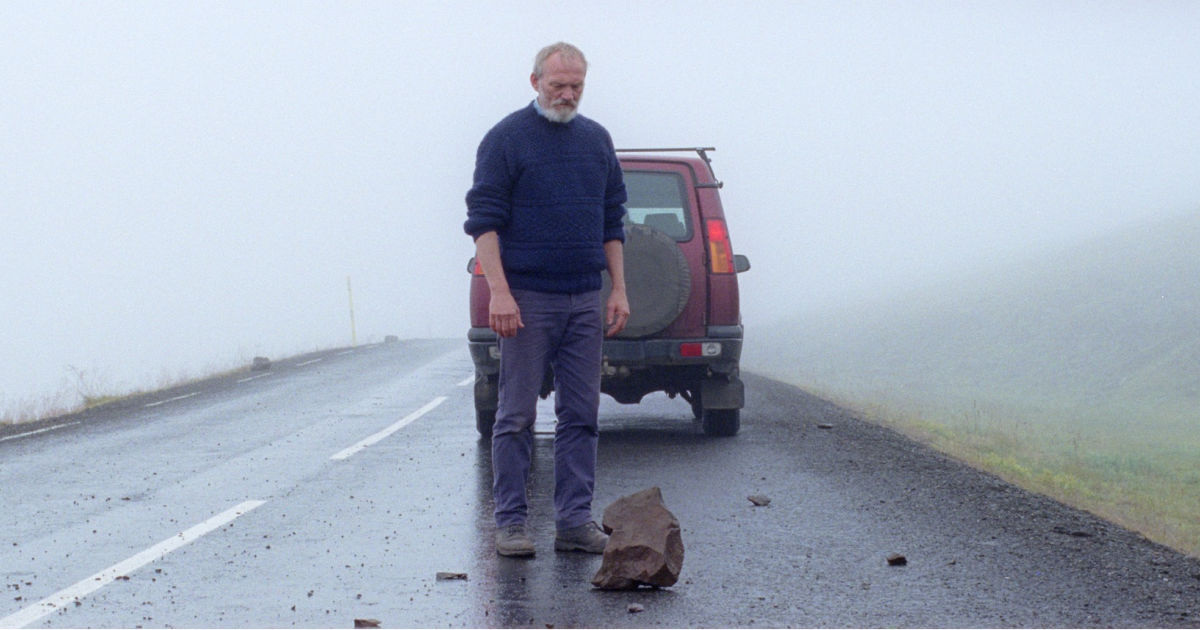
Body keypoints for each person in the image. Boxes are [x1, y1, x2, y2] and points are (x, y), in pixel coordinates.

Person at [463, 42, 630, 557]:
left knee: (581, 415)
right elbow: (483, 222)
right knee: (514, 416)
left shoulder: (596, 140)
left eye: (576, 85)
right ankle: (511, 524)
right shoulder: (506, 139)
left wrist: (618, 288)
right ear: (534, 81)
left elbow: (611, 219)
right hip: (527, 300)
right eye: (558, 84)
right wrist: (500, 293)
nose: (567, 94)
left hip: (584, 298)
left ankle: (574, 523)